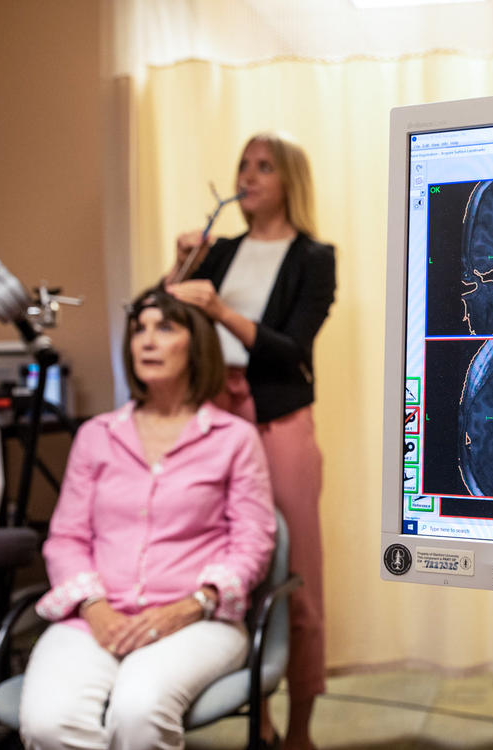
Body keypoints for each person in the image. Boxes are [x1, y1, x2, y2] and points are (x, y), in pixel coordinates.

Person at [19, 289, 277, 750]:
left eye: (165, 328)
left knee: (138, 712)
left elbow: (253, 542)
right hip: (96, 616)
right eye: (139, 330)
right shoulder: (97, 436)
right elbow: (66, 538)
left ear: (195, 345)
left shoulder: (233, 438)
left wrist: (192, 605)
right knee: (47, 723)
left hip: (197, 620)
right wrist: (95, 609)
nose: (147, 342)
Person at [165, 131, 336, 750]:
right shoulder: (217, 254)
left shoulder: (314, 258)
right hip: (216, 419)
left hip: (280, 421)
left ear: (290, 179)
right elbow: (158, 326)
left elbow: (293, 350)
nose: (249, 175)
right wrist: (179, 263)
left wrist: (222, 311)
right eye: (243, 163)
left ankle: (301, 732)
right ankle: (255, 716)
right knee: (233, 567)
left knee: (300, 578)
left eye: (264, 166)